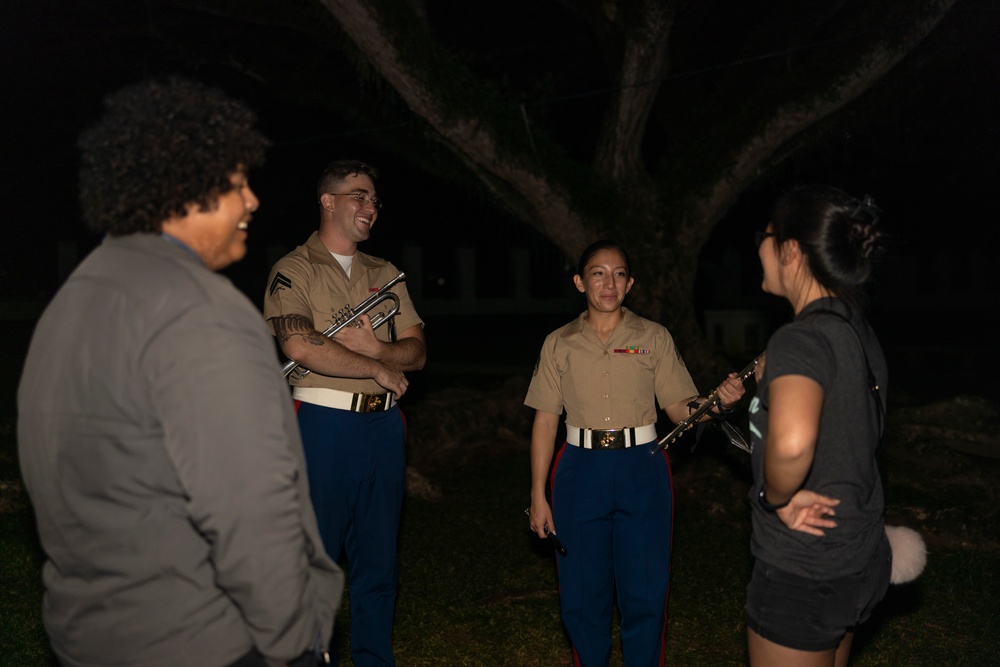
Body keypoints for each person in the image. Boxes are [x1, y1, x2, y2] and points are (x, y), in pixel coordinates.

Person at [17, 76, 343, 667]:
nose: (252, 202)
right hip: (207, 640)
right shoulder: (199, 310)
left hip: (89, 636)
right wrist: (297, 640)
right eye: (237, 182)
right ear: (182, 184)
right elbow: (250, 509)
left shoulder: (75, 300)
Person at [525, 240, 747, 667]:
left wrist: (720, 403)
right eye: (597, 273)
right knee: (581, 594)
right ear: (579, 281)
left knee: (645, 591)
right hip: (578, 470)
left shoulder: (654, 337)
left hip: (642, 466)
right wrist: (538, 495)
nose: (609, 283)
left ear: (630, 284)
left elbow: (681, 409)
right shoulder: (558, 343)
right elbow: (545, 422)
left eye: (619, 273)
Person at [263, 159, 426, 667]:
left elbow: (416, 352)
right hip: (322, 425)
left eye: (375, 200)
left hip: (383, 427)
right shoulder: (294, 270)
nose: (370, 208)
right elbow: (301, 343)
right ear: (327, 201)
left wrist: (379, 350)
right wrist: (374, 367)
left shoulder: (384, 273)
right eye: (359, 196)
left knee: (378, 561)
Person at [746, 184, 889, 667]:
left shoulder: (800, 338)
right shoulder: (855, 328)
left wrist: (777, 497)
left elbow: (791, 446)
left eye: (765, 236)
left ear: (789, 250)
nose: (758, 247)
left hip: (803, 571)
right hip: (857, 555)